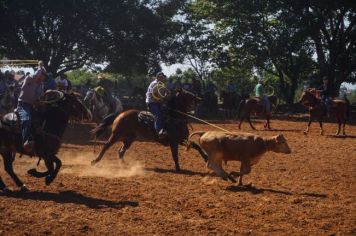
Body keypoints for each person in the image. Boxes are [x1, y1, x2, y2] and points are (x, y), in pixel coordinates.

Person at [17, 62, 46, 152]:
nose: (43, 78)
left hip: (31, 106)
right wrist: (40, 67)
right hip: (23, 105)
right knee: (26, 120)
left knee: (44, 118)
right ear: (39, 74)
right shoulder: (29, 78)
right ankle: (25, 142)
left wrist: (41, 102)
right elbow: (35, 75)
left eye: (44, 76)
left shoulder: (40, 85)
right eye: (42, 75)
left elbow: (38, 98)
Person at [146, 72, 169, 139]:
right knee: (158, 115)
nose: (162, 78)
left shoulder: (163, 84)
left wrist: (168, 93)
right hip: (152, 102)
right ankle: (158, 131)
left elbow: (164, 95)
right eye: (160, 76)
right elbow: (153, 95)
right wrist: (160, 100)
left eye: (163, 77)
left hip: (159, 103)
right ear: (157, 77)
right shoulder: (154, 84)